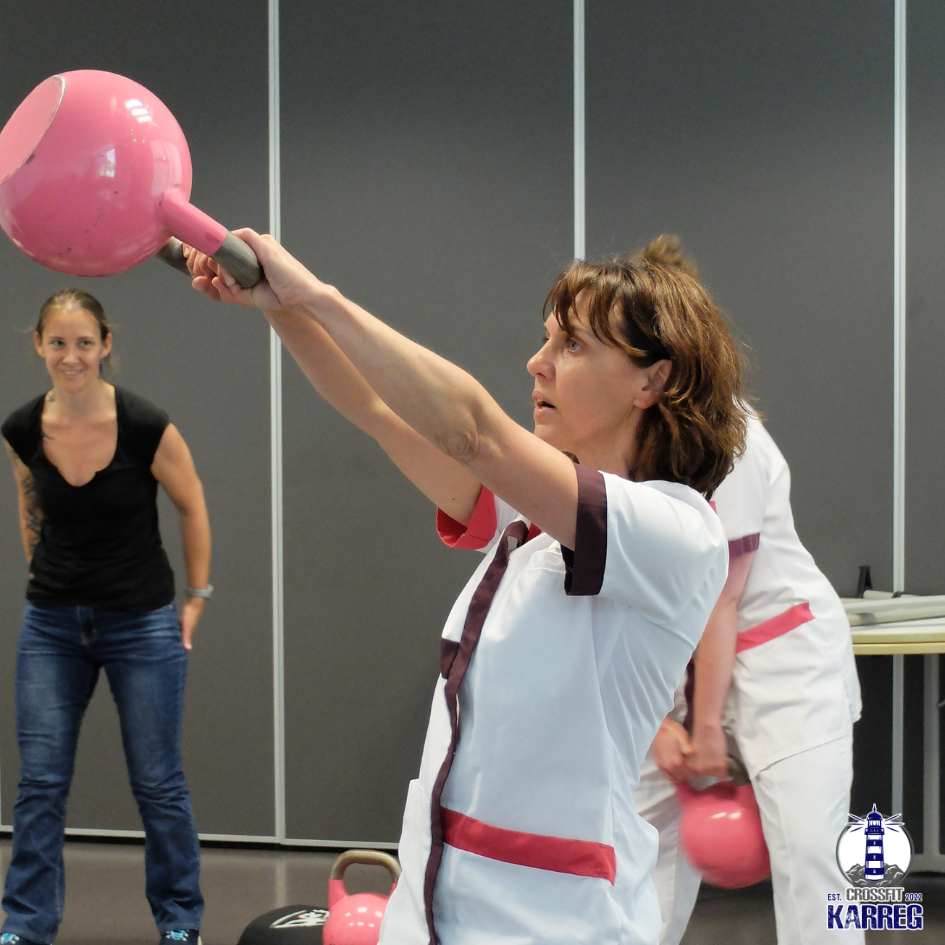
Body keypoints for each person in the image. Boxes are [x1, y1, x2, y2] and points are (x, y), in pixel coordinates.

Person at [186, 233, 748, 944]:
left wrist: (317, 295)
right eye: (546, 339)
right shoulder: (531, 517)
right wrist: (276, 305)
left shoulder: (674, 530)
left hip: (551, 921)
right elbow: (374, 407)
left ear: (651, 380)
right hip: (435, 903)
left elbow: (473, 433)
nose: (537, 362)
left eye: (571, 345)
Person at [0, 289, 212, 945]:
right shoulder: (22, 427)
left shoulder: (146, 424)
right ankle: (26, 925)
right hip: (52, 625)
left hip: (140, 623)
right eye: (58, 342)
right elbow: (30, 511)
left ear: (105, 345)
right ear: (38, 344)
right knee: (39, 784)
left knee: (157, 782)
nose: (72, 355)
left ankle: (179, 922)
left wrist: (198, 597)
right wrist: (49, 576)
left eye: (84, 342)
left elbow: (192, 503)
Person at [634, 415, 863, 945]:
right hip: (672, 672)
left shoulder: (723, 432)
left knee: (813, 860)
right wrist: (652, 722)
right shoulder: (603, 435)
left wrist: (707, 722)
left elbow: (723, 595)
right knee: (634, 860)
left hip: (785, 666)